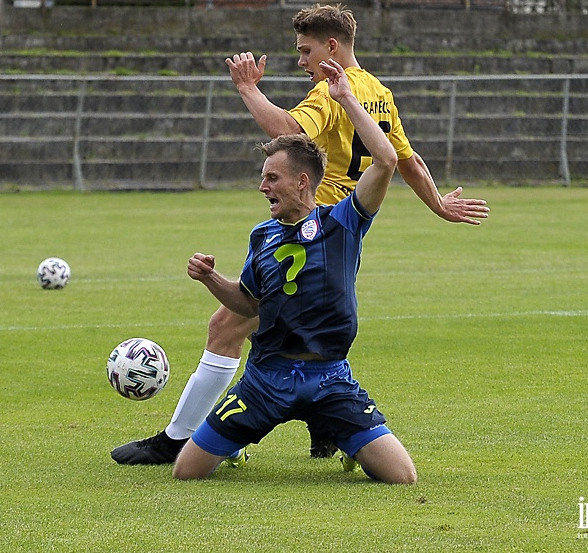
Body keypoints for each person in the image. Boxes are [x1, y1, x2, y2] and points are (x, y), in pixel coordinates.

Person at [111, 4, 488, 465]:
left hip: (313, 230)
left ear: (332, 46)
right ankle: (321, 425)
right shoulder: (377, 92)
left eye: (305, 50)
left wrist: (248, 89)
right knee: (289, 333)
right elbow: (404, 158)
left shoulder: (331, 94)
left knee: (229, 325)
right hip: (346, 230)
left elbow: (290, 134)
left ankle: (179, 440)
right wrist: (439, 205)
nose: (301, 61)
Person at [173, 58, 416, 483]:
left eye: (272, 178)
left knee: (402, 477)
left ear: (302, 182)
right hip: (265, 379)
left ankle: (348, 440)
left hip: (329, 379)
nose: (262, 187)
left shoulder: (343, 222)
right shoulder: (262, 235)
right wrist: (211, 278)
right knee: (186, 473)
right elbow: (248, 303)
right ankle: (235, 445)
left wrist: (347, 99)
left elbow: (386, 160)